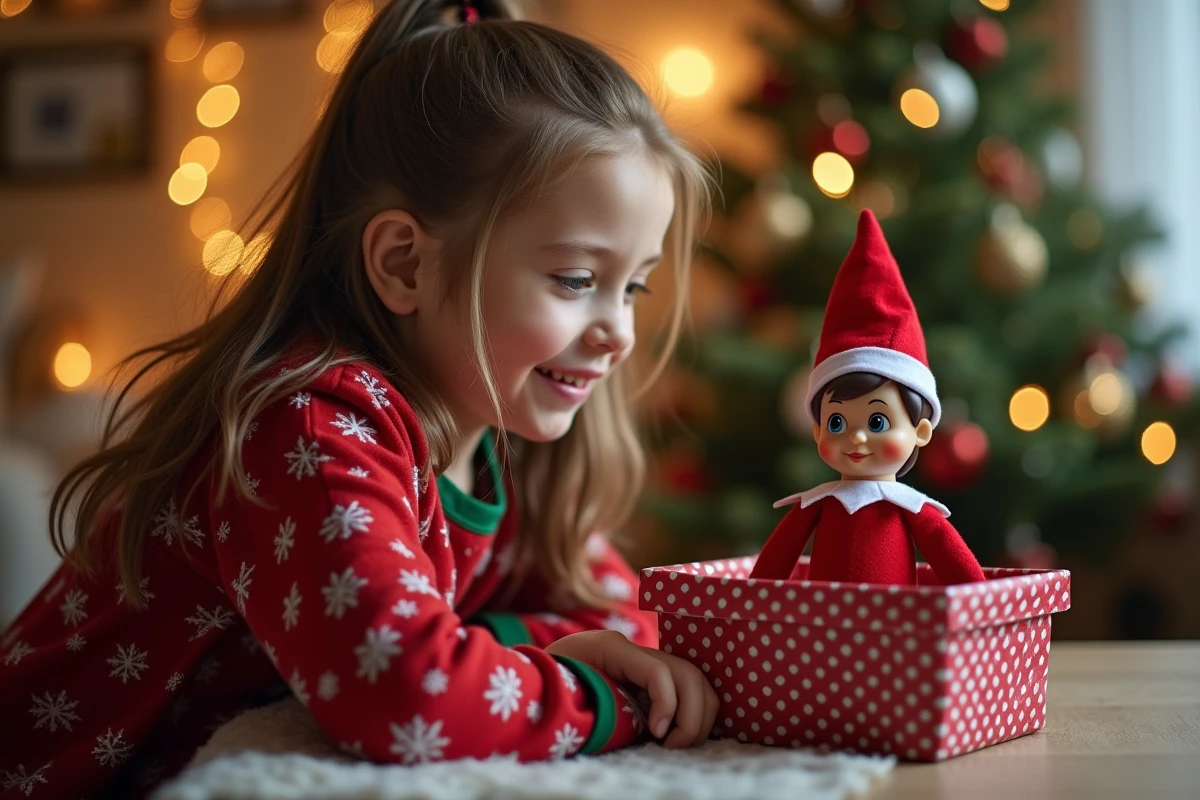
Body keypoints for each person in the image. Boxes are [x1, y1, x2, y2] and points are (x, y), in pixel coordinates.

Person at [0, 1, 720, 795]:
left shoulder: (494, 441)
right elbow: (409, 696)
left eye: (635, 288)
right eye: (577, 281)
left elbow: (635, 624)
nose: (618, 331)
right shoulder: (304, 426)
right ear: (405, 264)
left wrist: (510, 645)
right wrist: (594, 692)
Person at [748, 211, 986, 587]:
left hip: (893, 634)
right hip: (820, 630)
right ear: (816, 431)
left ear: (922, 430)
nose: (856, 438)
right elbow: (773, 565)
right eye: (837, 423)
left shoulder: (912, 510)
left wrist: (986, 604)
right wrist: (750, 600)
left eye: (877, 422)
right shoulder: (815, 505)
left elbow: (955, 564)